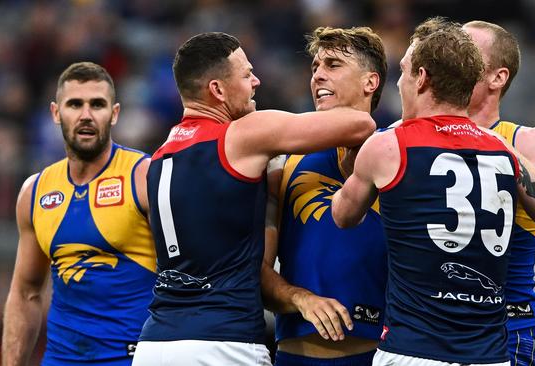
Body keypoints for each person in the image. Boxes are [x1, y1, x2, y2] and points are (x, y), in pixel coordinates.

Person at [132, 32, 376, 366]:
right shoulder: (243, 136)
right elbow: (361, 123)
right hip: (221, 341)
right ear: (217, 90)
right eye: (247, 75)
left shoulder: (157, 159)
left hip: (155, 341)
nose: (256, 81)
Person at [332, 18, 535, 365]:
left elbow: (343, 214)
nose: (398, 83)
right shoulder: (504, 151)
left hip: (413, 349)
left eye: (405, 71)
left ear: (422, 78)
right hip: (489, 354)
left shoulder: (390, 145)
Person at [2, 62, 157, 365]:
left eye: (97, 104)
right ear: (56, 113)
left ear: (114, 114)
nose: (86, 115)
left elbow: (185, 276)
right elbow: (25, 293)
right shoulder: (35, 192)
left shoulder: (145, 177)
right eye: (75, 104)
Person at [260, 26, 388, 366]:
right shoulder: (282, 162)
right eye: (315, 67)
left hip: (380, 355)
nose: (317, 75)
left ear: (370, 82)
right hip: (294, 356)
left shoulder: (397, 156)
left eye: (332, 65)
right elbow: (256, 272)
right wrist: (301, 299)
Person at [463, 20, 535, 366]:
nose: (451, 58)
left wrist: (488, 141)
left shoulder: (527, 140)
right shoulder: (414, 137)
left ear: (498, 77)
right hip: (431, 332)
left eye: (467, 52)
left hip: (508, 330)